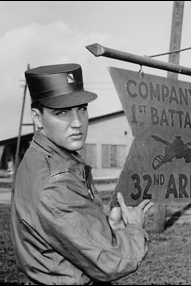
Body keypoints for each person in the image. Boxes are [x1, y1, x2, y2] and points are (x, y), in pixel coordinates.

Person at [10, 63, 153, 285]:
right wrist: (135, 227)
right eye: (62, 112)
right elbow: (114, 261)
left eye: (82, 109)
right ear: (37, 118)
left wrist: (110, 226)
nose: (77, 123)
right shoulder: (55, 181)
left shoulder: (42, 157)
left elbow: (71, 235)